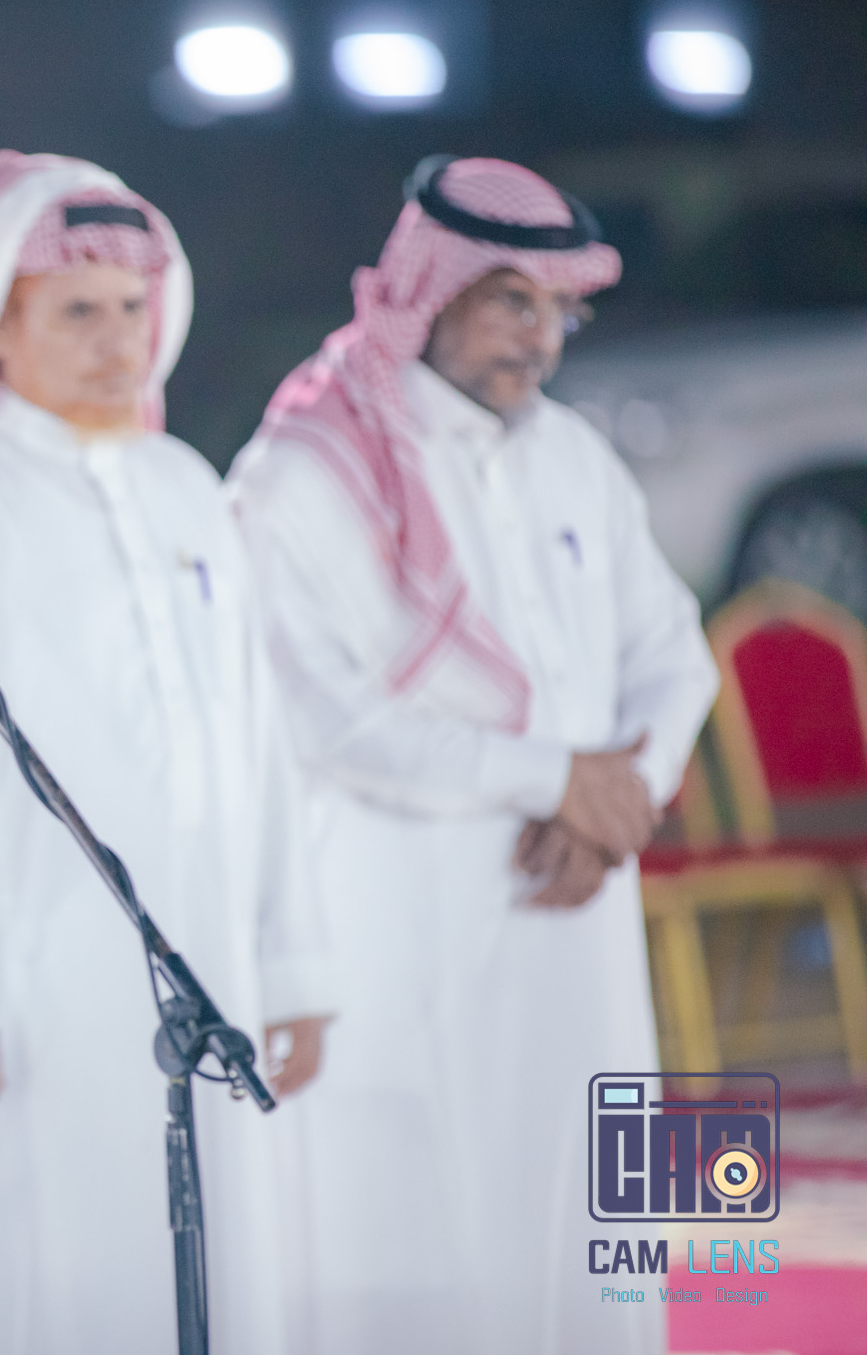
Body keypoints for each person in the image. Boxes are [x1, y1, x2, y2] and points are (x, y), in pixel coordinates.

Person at [226, 155, 718, 1355]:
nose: (538, 339)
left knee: (590, 1233)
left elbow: (673, 653)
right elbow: (322, 716)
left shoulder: (571, 456)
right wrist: (559, 780)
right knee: (421, 1226)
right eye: (510, 301)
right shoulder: (302, 473)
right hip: (400, 923)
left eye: (558, 310)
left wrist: (622, 794)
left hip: (579, 907)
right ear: (428, 289)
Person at [0, 150, 333, 1355]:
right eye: (76, 312)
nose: (119, 341)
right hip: (17, 981)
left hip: (205, 962)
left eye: (132, 307)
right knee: (38, 1270)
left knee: (210, 1265)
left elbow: (255, 740)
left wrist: (290, 965)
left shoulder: (184, 487)